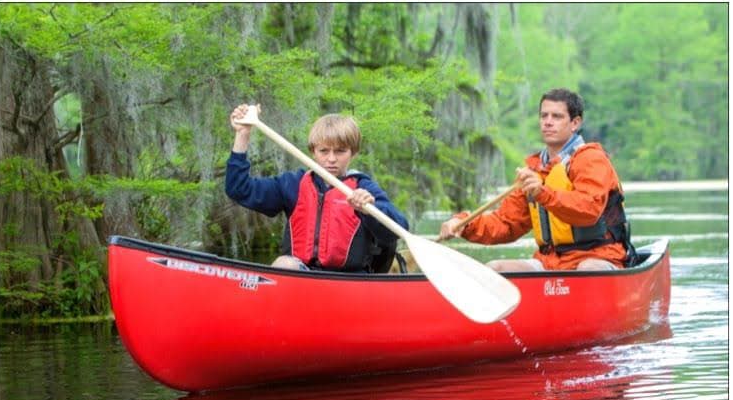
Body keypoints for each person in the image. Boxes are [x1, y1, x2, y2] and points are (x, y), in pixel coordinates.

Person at [439, 88, 636, 271]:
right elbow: (506, 224)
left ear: (575, 123)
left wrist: (542, 193)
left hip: (599, 256)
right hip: (551, 262)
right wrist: (464, 223)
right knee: (495, 268)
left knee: (587, 269)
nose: (548, 122)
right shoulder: (536, 169)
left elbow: (588, 210)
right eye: (544, 116)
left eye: (557, 116)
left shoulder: (591, 160)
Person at [225, 104, 409, 272]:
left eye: (340, 151)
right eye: (324, 151)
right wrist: (243, 135)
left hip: (351, 283)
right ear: (313, 151)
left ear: (353, 152)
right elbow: (238, 189)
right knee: (285, 264)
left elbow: (399, 229)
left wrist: (370, 209)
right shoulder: (293, 184)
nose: (331, 159)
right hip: (303, 278)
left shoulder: (362, 188)